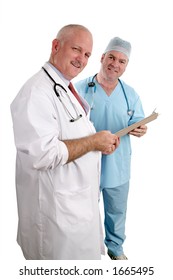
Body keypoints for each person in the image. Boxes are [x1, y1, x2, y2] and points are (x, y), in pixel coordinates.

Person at [10, 24, 120, 260]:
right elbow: (44, 154)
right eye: (76, 49)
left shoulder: (64, 87)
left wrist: (101, 145)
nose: (82, 59)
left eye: (88, 54)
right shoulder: (36, 93)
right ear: (56, 46)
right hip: (55, 224)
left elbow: (74, 136)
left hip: (76, 214)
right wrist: (93, 142)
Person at [75, 37, 147, 260]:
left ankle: (115, 249)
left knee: (116, 212)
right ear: (102, 58)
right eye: (112, 58)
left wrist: (141, 129)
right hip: (86, 162)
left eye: (122, 61)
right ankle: (86, 250)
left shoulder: (130, 94)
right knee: (84, 212)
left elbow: (139, 121)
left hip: (118, 164)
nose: (116, 64)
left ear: (126, 66)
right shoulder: (79, 89)